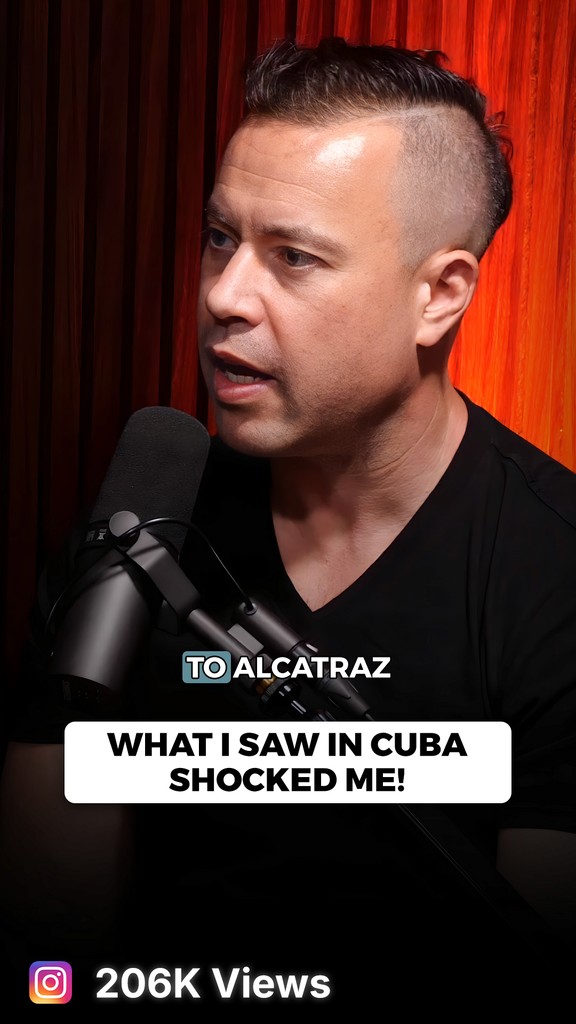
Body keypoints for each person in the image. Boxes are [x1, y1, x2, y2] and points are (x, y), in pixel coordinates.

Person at [1, 37, 575, 1006]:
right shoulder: (141, 527)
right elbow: (51, 961)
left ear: (440, 294)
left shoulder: (553, 571)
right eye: (220, 237)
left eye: (294, 257)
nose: (224, 296)